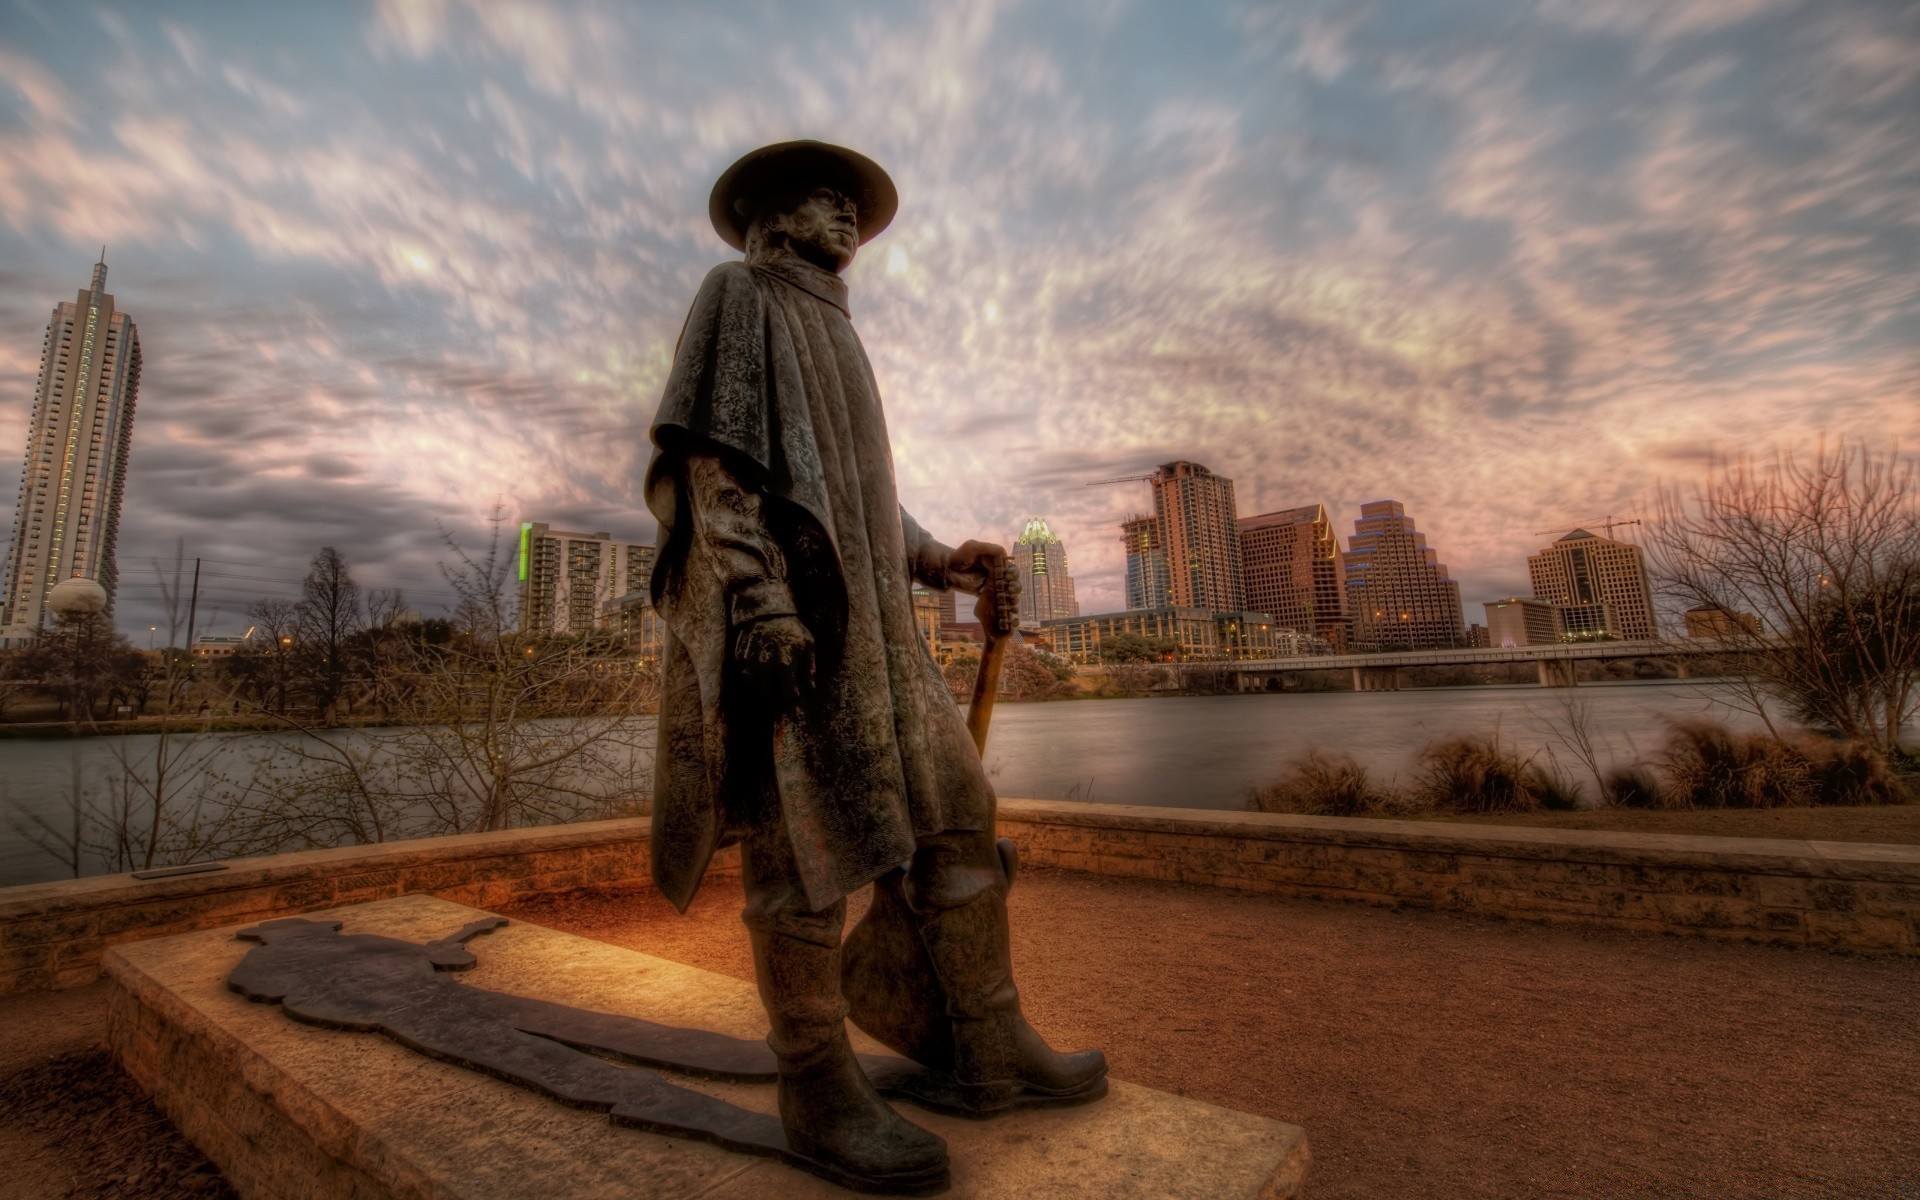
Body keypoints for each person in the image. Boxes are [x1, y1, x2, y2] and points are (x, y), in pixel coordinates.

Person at [645, 141, 1106, 1193]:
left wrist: (941, 558)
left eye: (855, 202)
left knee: (958, 816)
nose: (848, 214)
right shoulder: (738, 296)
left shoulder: (838, 333)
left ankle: (987, 1046)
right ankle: (815, 1083)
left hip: (884, 642)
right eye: (823, 196)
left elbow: (856, 497)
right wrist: (759, 602)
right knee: (798, 860)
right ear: (767, 212)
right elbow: (714, 468)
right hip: (798, 634)